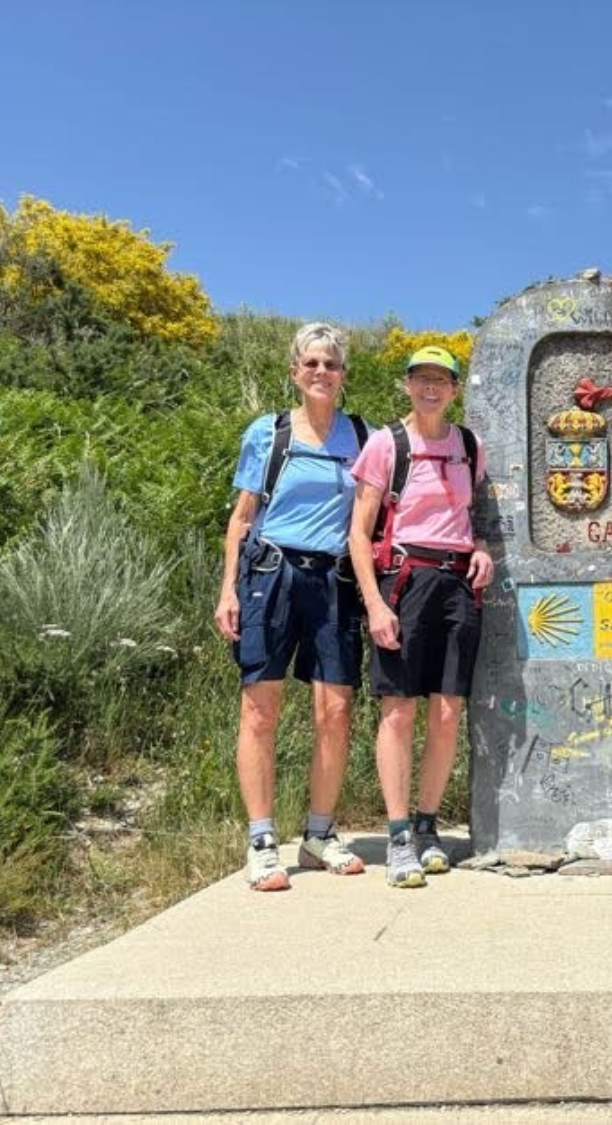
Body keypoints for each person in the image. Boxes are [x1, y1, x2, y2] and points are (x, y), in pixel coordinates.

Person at [214, 322, 369, 891]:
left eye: (331, 364)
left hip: (334, 578)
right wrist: (228, 588)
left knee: (335, 710)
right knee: (261, 709)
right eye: (312, 364)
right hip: (271, 574)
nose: (322, 373)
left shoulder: (362, 436)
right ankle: (261, 840)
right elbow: (242, 516)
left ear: (344, 374)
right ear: (295, 372)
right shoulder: (269, 433)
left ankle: (319, 834)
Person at [349, 345, 493, 889]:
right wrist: (375, 603)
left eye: (442, 379)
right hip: (403, 580)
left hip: (457, 582)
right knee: (398, 711)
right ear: (406, 384)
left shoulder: (469, 445)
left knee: (448, 712)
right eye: (422, 378)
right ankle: (398, 832)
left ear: (455, 389)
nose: (431, 387)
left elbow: (472, 514)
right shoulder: (387, 444)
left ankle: (430, 826)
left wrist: (479, 547)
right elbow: (359, 533)